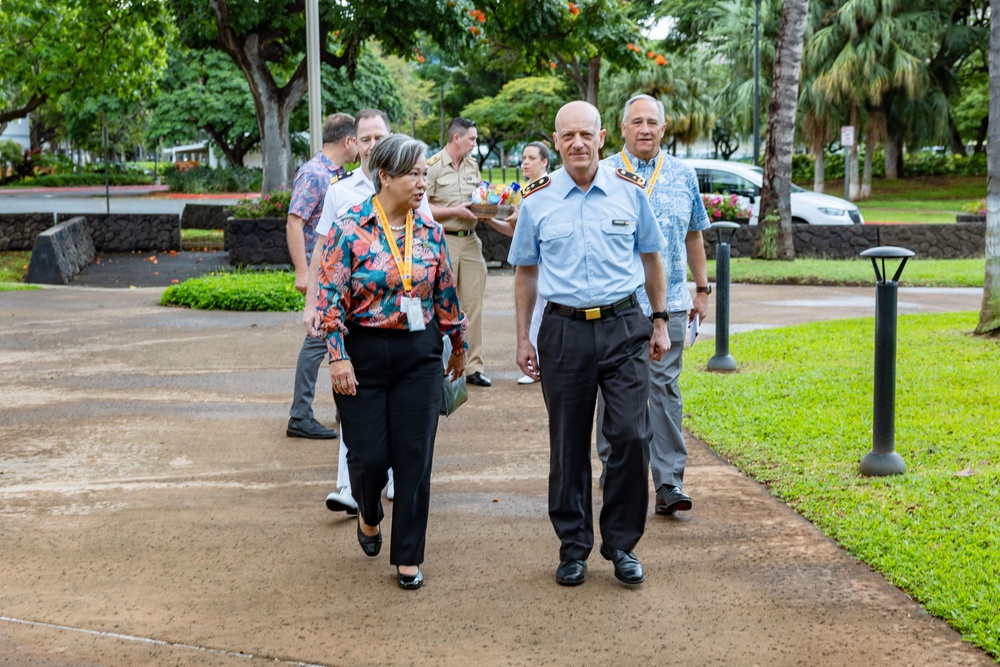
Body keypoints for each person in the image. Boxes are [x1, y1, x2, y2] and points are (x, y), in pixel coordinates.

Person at [508, 101, 669, 587]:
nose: (577, 143)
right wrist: (523, 338)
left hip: (624, 325)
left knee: (631, 435)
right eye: (567, 136)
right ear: (556, 142)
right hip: (563, 331)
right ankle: (573, 546)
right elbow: (525, 273)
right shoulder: (536, 199)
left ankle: (621, 544)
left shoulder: (629, 192)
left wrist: (659, 321)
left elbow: (652, 259)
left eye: (586, 134)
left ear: (601, 138)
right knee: (568, 443)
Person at [316, 134, 468, 590]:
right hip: (361, 354)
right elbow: (329, 300)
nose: (422, 183)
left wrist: (457, 345)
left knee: (414, 457)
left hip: (418, 354)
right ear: (385, 176)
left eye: (425, 174)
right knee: (367, 456)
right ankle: (367, 511)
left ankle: (408, 557)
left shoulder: (430, 232)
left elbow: (445, 293)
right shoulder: (349, 228)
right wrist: (338, 357)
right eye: (413, 174)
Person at [305, 109, 435, 515]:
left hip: (404, 320)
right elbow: (322, 250)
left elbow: (429, 247)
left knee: (400, 415)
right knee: (356, 408)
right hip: (357, 321)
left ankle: (393, 480)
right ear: (354, 144)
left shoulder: (413, 184)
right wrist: (312, 300)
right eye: (366, 139)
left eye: (380, 137)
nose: (373, 145)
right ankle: (351, 486)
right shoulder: (341, 191)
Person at [597, 94, 711, 515]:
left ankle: (669, 483)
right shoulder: (604, 172)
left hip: (673, 305)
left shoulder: (683, 174)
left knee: (664, 390)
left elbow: (695, 234)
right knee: (614, 394)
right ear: (622, 129)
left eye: (652, 122)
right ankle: (615, 474)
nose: (645, 129)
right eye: (636, 122)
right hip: (617, 304)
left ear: (664, 129)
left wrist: (702, 289)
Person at [285, 112, 357, 440]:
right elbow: (295, 223)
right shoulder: (315, 174)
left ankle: (344, 412)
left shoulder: (339, 174)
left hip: (337, 272)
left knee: (337, 340)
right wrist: (303, 273)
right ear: (348, 141)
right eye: (361, 140)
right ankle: (300, 415)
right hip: (322, 273)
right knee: (316, 341)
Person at [425, 117, 492, 388]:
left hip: (471, 240)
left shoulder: (472, 166)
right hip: (444, 241)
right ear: (456, 138)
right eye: (472, 139)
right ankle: (439, 364)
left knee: (473, 306)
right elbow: (420, 207)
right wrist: (454, 211)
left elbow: (476, 202)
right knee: (441, 305)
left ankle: (473, 366)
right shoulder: (431, 167)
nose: (475, 144)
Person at [514, 142, 551, 386]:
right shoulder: (525, 190)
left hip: (545, 262)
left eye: (531, 158)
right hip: (529, 259)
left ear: (545, 162)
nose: (526, 162)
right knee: (534, 311)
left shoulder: (547, 190)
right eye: (524, 158)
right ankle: (534, 360)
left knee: (540, 312)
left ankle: (537, 362)